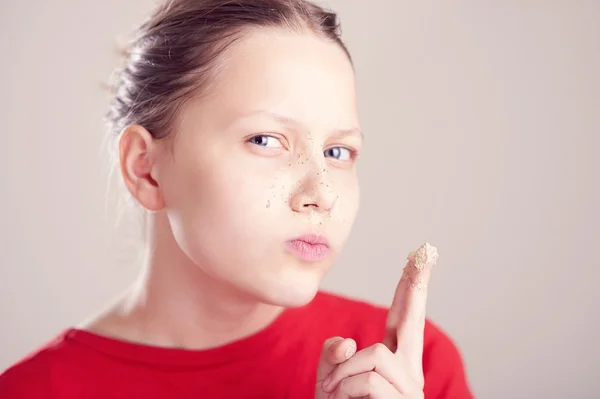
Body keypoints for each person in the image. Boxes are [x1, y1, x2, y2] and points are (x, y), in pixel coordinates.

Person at [0, 0, 473, 397]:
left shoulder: (407, 366)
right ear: (146, 169)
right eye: (266, 140)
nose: (321, 195)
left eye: (338, 151)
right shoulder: (36, 390)